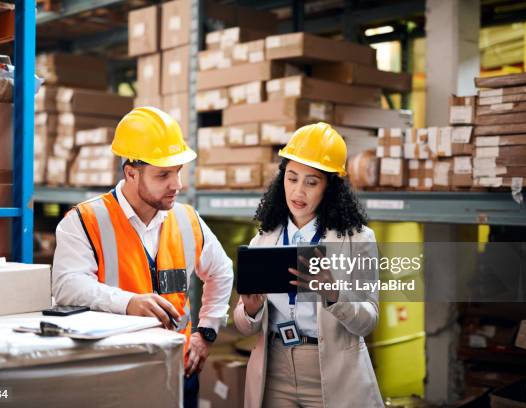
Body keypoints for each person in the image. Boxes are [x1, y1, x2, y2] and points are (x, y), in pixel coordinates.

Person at [52, 107, 234, 408]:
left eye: (177, 171)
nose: (176, 184)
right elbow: (67, 285)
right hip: (114, 373)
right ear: (131, 173)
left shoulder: (188, 220)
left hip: (177, 370)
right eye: (163, 174)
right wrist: (128, 302)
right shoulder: (85, 220)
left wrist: (207, 333)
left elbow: (222, 271)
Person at [233, 122, 383, 408]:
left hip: (332, 371)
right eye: (292, 178)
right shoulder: (264, 240)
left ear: (330, 187)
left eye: (311, 182)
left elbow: (368, 320)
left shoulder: (358, 240)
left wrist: (334, 296)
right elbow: (244, 325)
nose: (298, 192)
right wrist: (250, 310)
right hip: (275, 370)